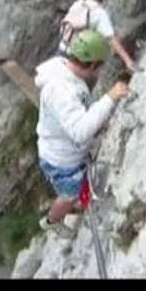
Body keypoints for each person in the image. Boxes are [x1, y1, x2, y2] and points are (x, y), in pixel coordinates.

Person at [34, 30, 130, 238]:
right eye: (100, 66)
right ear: (93, 65)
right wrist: (110, 98)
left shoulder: (66, 74)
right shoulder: (62, 90)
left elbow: (76, 116)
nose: (100, 71)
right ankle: (52, 221)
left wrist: (96, 122)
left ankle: (77, 201)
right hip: (61, 161)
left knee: (76, 188)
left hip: (63, 150)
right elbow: (79, 131)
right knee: (69, 195)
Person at [58, 0, 137, 73]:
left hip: (62, 48)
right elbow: (111, 39)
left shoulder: (78, 3)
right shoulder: (100, 14)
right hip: (77, 58)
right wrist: (128, 61)